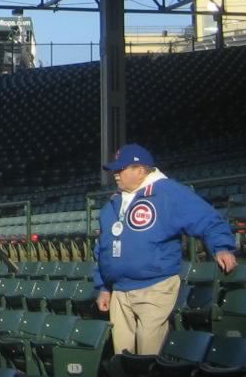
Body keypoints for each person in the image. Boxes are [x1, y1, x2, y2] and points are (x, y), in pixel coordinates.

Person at [95, 144, 236, 355]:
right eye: (114, 170)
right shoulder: (113, 204)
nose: (115, 175)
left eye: (120, 169)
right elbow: (103, 248)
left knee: (148, 353)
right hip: (119, 291)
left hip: (155, 286)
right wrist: (103, 287)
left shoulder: (167, 192)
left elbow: (206, 219)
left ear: (140, 170)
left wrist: (221, 247)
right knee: (121, 356)